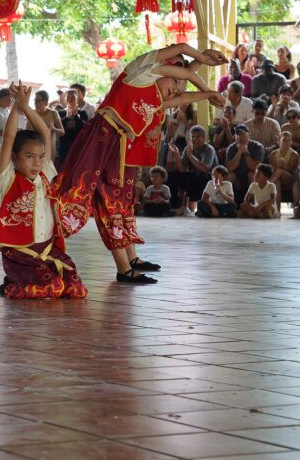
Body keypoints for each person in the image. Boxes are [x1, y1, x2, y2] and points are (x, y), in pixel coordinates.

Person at [54, 44, 227, 284]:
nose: (175, 92)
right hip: (101, 139)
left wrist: (207, 91)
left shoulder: (157, 96)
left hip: (119, 145)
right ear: (165, 70)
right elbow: (184, 63)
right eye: (174, 83)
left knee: (121, 200)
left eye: (177, 88)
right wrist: (202, 63)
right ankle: (118, 266)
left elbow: (185, 86)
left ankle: (130, 260)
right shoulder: (140, 75)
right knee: (91, 196)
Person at [0, 83, 86, 299]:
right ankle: (10, 285)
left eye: (40, 157)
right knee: (51, 289)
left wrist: (26, 106)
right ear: (15, 158)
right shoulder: (7, 179)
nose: (37, 163)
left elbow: (44, 131)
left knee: (76, 290)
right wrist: (17, 107)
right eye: (29, 157)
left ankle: (26, 280)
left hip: (47, 249)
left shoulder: (45, 174)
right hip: (21, 253)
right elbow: (8, 138)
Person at [224, 124, 265, 197]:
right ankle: (229, 204)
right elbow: (230, 168)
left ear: (249, 135)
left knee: (252, 175)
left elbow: (255, 167)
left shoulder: (258, 147)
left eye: (243, 134)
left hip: (250, 176)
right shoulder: (231, 148)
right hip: (237, 177)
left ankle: (255, 203)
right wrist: (239, 152)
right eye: (238, 134)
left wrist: (246, 152)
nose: (240, 137)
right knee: (230, 176)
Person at [269, 130, 298, 210]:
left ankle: (267, 186)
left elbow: (290, 170)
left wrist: (284, 165)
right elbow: (272, 170)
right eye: (284, 140)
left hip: (289, 180)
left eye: (289, 140)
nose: (287, 142)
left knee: (279, 171)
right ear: (279, 141)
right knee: (277, 183)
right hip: (277, 179)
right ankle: (277, 210)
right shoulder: (273, 154)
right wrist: (278, 165)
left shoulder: (294, 154)